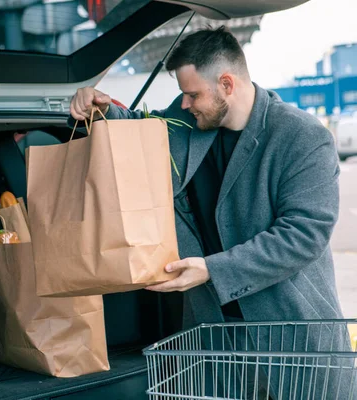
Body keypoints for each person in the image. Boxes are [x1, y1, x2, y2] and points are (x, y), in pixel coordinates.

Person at [70, 26, 348, 397]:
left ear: (227, 84)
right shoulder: (190, 121)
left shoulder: (302, 136)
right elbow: (143, 131)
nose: (184, 103)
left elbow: (303, 235)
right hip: (212, 334)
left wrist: (211, 270)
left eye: (192, 94)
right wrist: (103, 109)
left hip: (290, 334)